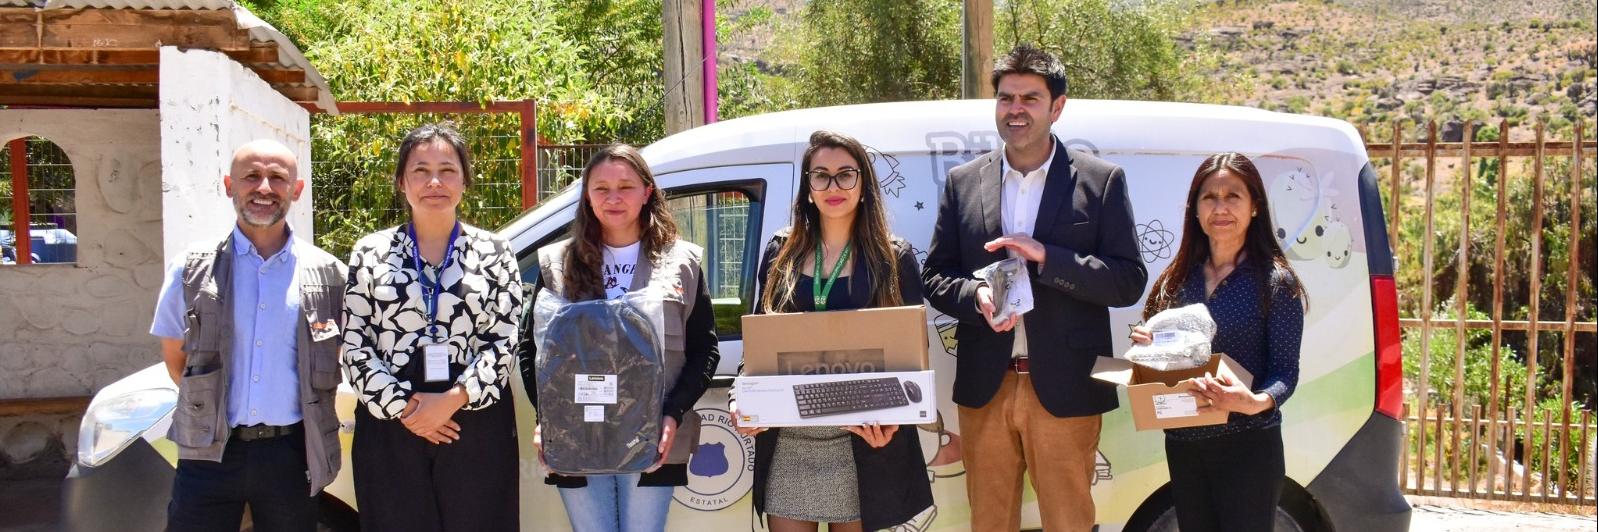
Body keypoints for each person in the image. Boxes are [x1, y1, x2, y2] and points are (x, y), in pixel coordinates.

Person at [921, 44, 1147, 532]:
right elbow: (936, 275)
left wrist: (1049, 258)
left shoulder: (1100, 181)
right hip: (988, 385)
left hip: (1065, 388)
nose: (1015, 110)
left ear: (1057, 107)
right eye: (1006, 98)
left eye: (1029, 98)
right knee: (989, 523)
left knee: (1068, 523)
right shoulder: (964, 182)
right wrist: (975, 297)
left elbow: (1128, 280)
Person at [732, 130, 934, 532]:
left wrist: (893, 421)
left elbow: (912, 359)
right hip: (789, 443)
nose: (833, 186)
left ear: (864, 185)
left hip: (863, 444)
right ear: (808, 187)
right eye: (820, 175)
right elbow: (756, 350)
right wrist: (742, 400)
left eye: (846, 174)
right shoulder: (779, 253)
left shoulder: (895, 258)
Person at [515, 144, 720, 532]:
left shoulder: (682, 263)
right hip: (576, 435)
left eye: (625, 187)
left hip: (652, 438)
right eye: (601, 188)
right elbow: (531, 350)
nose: (613, 198)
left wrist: (672, 414)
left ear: (647, 192)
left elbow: (703, 350)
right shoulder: (556, 263)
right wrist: (549, 418)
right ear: (587, 196)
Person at [150, 139, 346, 532]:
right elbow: (175, 358)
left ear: (296, 190)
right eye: (251, 177)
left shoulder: (329, 274)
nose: (264, 188)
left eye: (277, 178)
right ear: (229, 185)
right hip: (210, 452)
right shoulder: (191, 268)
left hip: (292, 455)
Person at [341, 123, 523, 531]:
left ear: (464, 181)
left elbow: (504, 341)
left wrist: (453, 399)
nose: (434, 181)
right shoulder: (371, 252)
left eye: (448, 169)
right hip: (392, 421)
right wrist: (407, 409)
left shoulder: (495, 252)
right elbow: (354, 343)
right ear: (402, 182)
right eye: (421, 170)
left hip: (473, 417)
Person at [1130, 153, 1306, 532]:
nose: (1220, 208)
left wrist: (1255, 401)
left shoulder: (1275, 284)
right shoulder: (1176, 280)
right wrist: (1145, 342)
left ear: (1255, 207)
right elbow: (1155, 349)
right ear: (1195, 209)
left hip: (1248, 446)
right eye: (1210, 197)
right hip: (1184, 444)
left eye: (1233, 196)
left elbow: (1285, 373)